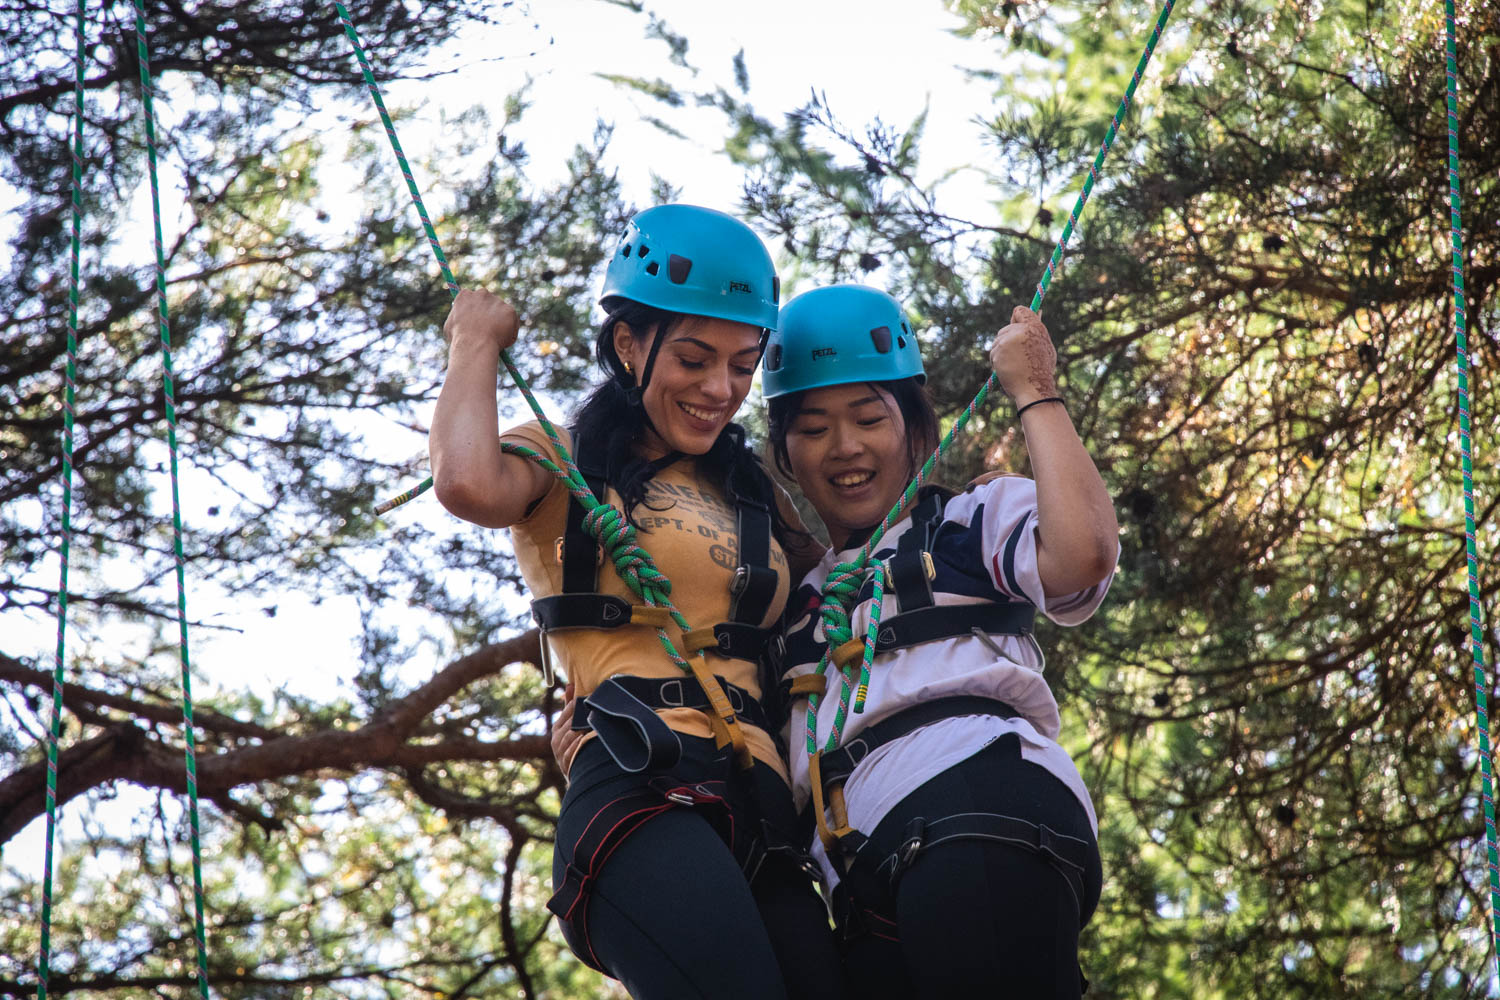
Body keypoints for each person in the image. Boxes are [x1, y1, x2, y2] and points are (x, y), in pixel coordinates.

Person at [430, 204, 843, 1000]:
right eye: (694, 358)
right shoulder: (565, 457)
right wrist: (475, 342)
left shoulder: (751, 492)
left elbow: (838, 599)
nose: (719, 388)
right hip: (641, 780)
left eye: (742, 364)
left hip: (761, 812)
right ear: (630, 344)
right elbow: (468, 482)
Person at [760, 284, 1118, 998]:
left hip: (974, 807)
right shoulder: (787, 609)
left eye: (868, 417)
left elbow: (1081, 556)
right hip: (862, 891)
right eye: (813, 428)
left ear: (917, 431)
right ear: (784, 456)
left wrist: (1036, 393)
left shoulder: (966, 521)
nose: (846, 446)